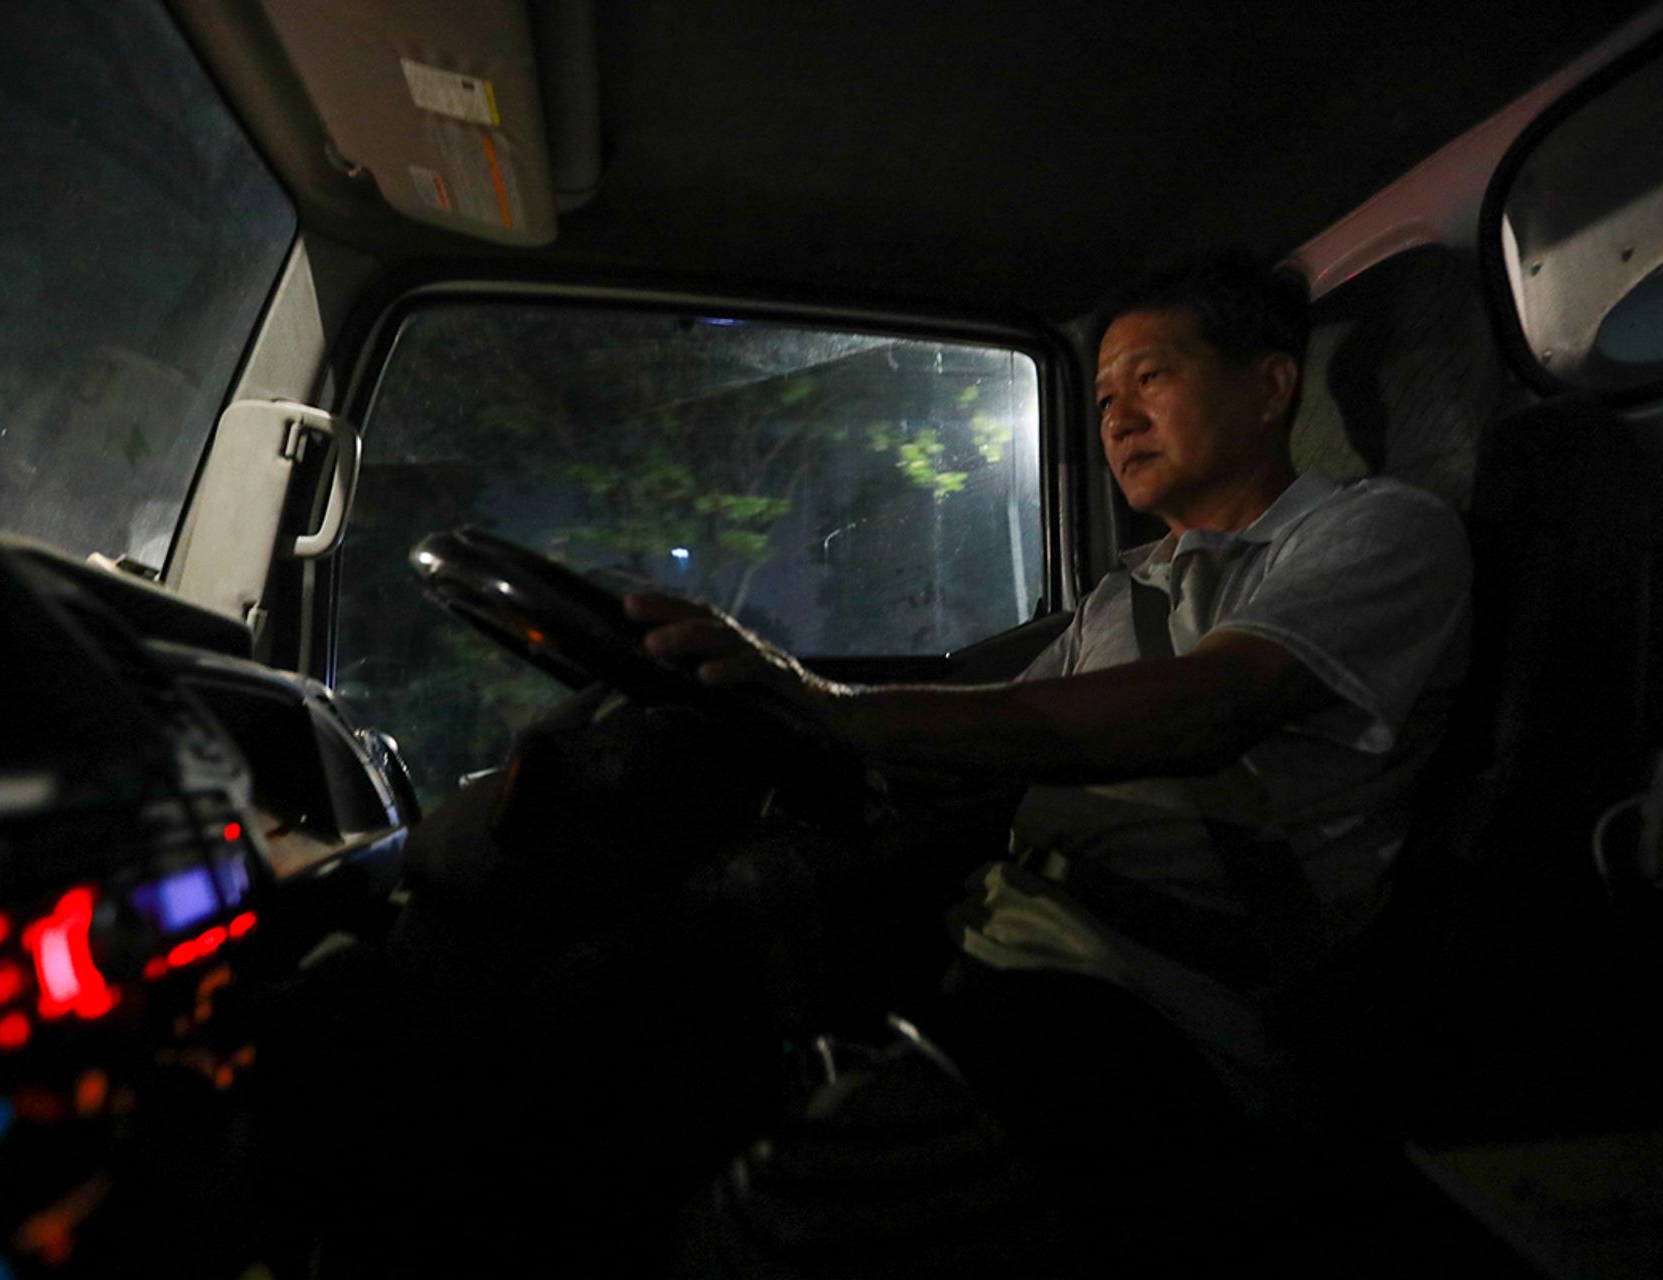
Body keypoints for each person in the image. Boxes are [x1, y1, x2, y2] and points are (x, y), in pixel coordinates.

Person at [623, 251, 1474, 1219]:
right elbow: (985, 748)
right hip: (1006, 931)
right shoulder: (1126, 587)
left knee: (780, 1209)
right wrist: (776, 723)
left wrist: (828, 700)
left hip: (1167, 1003)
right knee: (647, 1004)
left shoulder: (1382, 530)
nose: (1115, 416)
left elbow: (1211, 704)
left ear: (1271, 386)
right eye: (1105, 392)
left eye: (1152, 376)